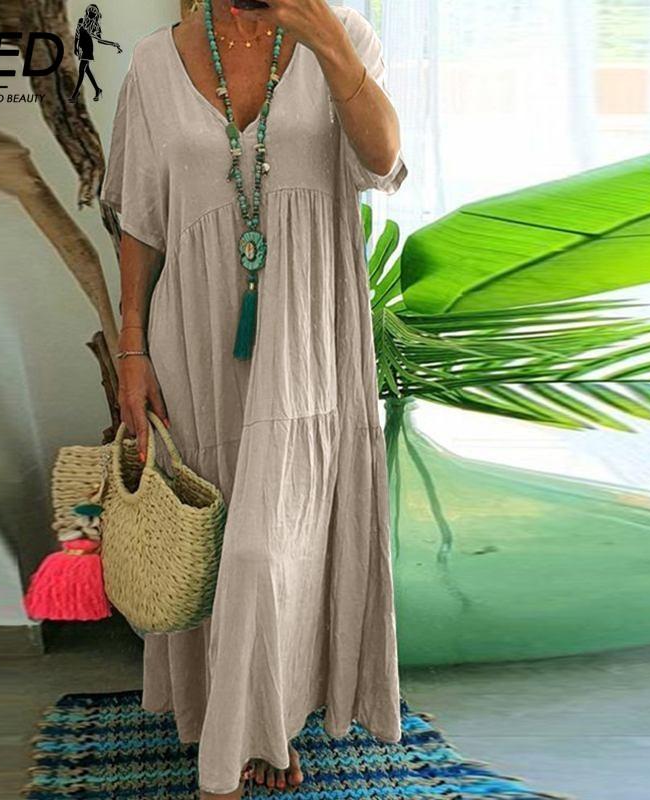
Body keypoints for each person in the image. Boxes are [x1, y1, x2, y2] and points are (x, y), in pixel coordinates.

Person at [100, 0, 407, 797]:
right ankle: (259, 721)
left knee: (265, 548)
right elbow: (141, 222)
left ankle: (224, 766)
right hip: (193, 333)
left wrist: (326, 38)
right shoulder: (153, 63)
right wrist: (131, 348)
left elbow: (381, 158)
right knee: (218, 534)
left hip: (307, 329)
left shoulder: (341, 36)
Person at [69, 4, 122, 102]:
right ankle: (97, 89)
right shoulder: (81, 21)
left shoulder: (95, 26)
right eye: (90, 12)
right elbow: (77, 35)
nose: (91, 14)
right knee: (87, 70)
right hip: (81, 47)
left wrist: (112, 44)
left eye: (93, 13)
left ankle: (76, 93)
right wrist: (75, 47)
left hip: (88, 48)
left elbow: (100, 40)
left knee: (81, 71)